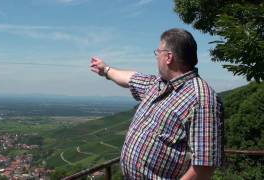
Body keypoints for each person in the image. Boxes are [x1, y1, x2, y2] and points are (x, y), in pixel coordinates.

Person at [89, 28, 224, 180]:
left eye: (158, 52)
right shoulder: (157, 84)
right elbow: (130, 78)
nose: (156, 57)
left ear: (168, 57)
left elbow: (204, 168)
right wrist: (106, 69)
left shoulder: (202, 99)